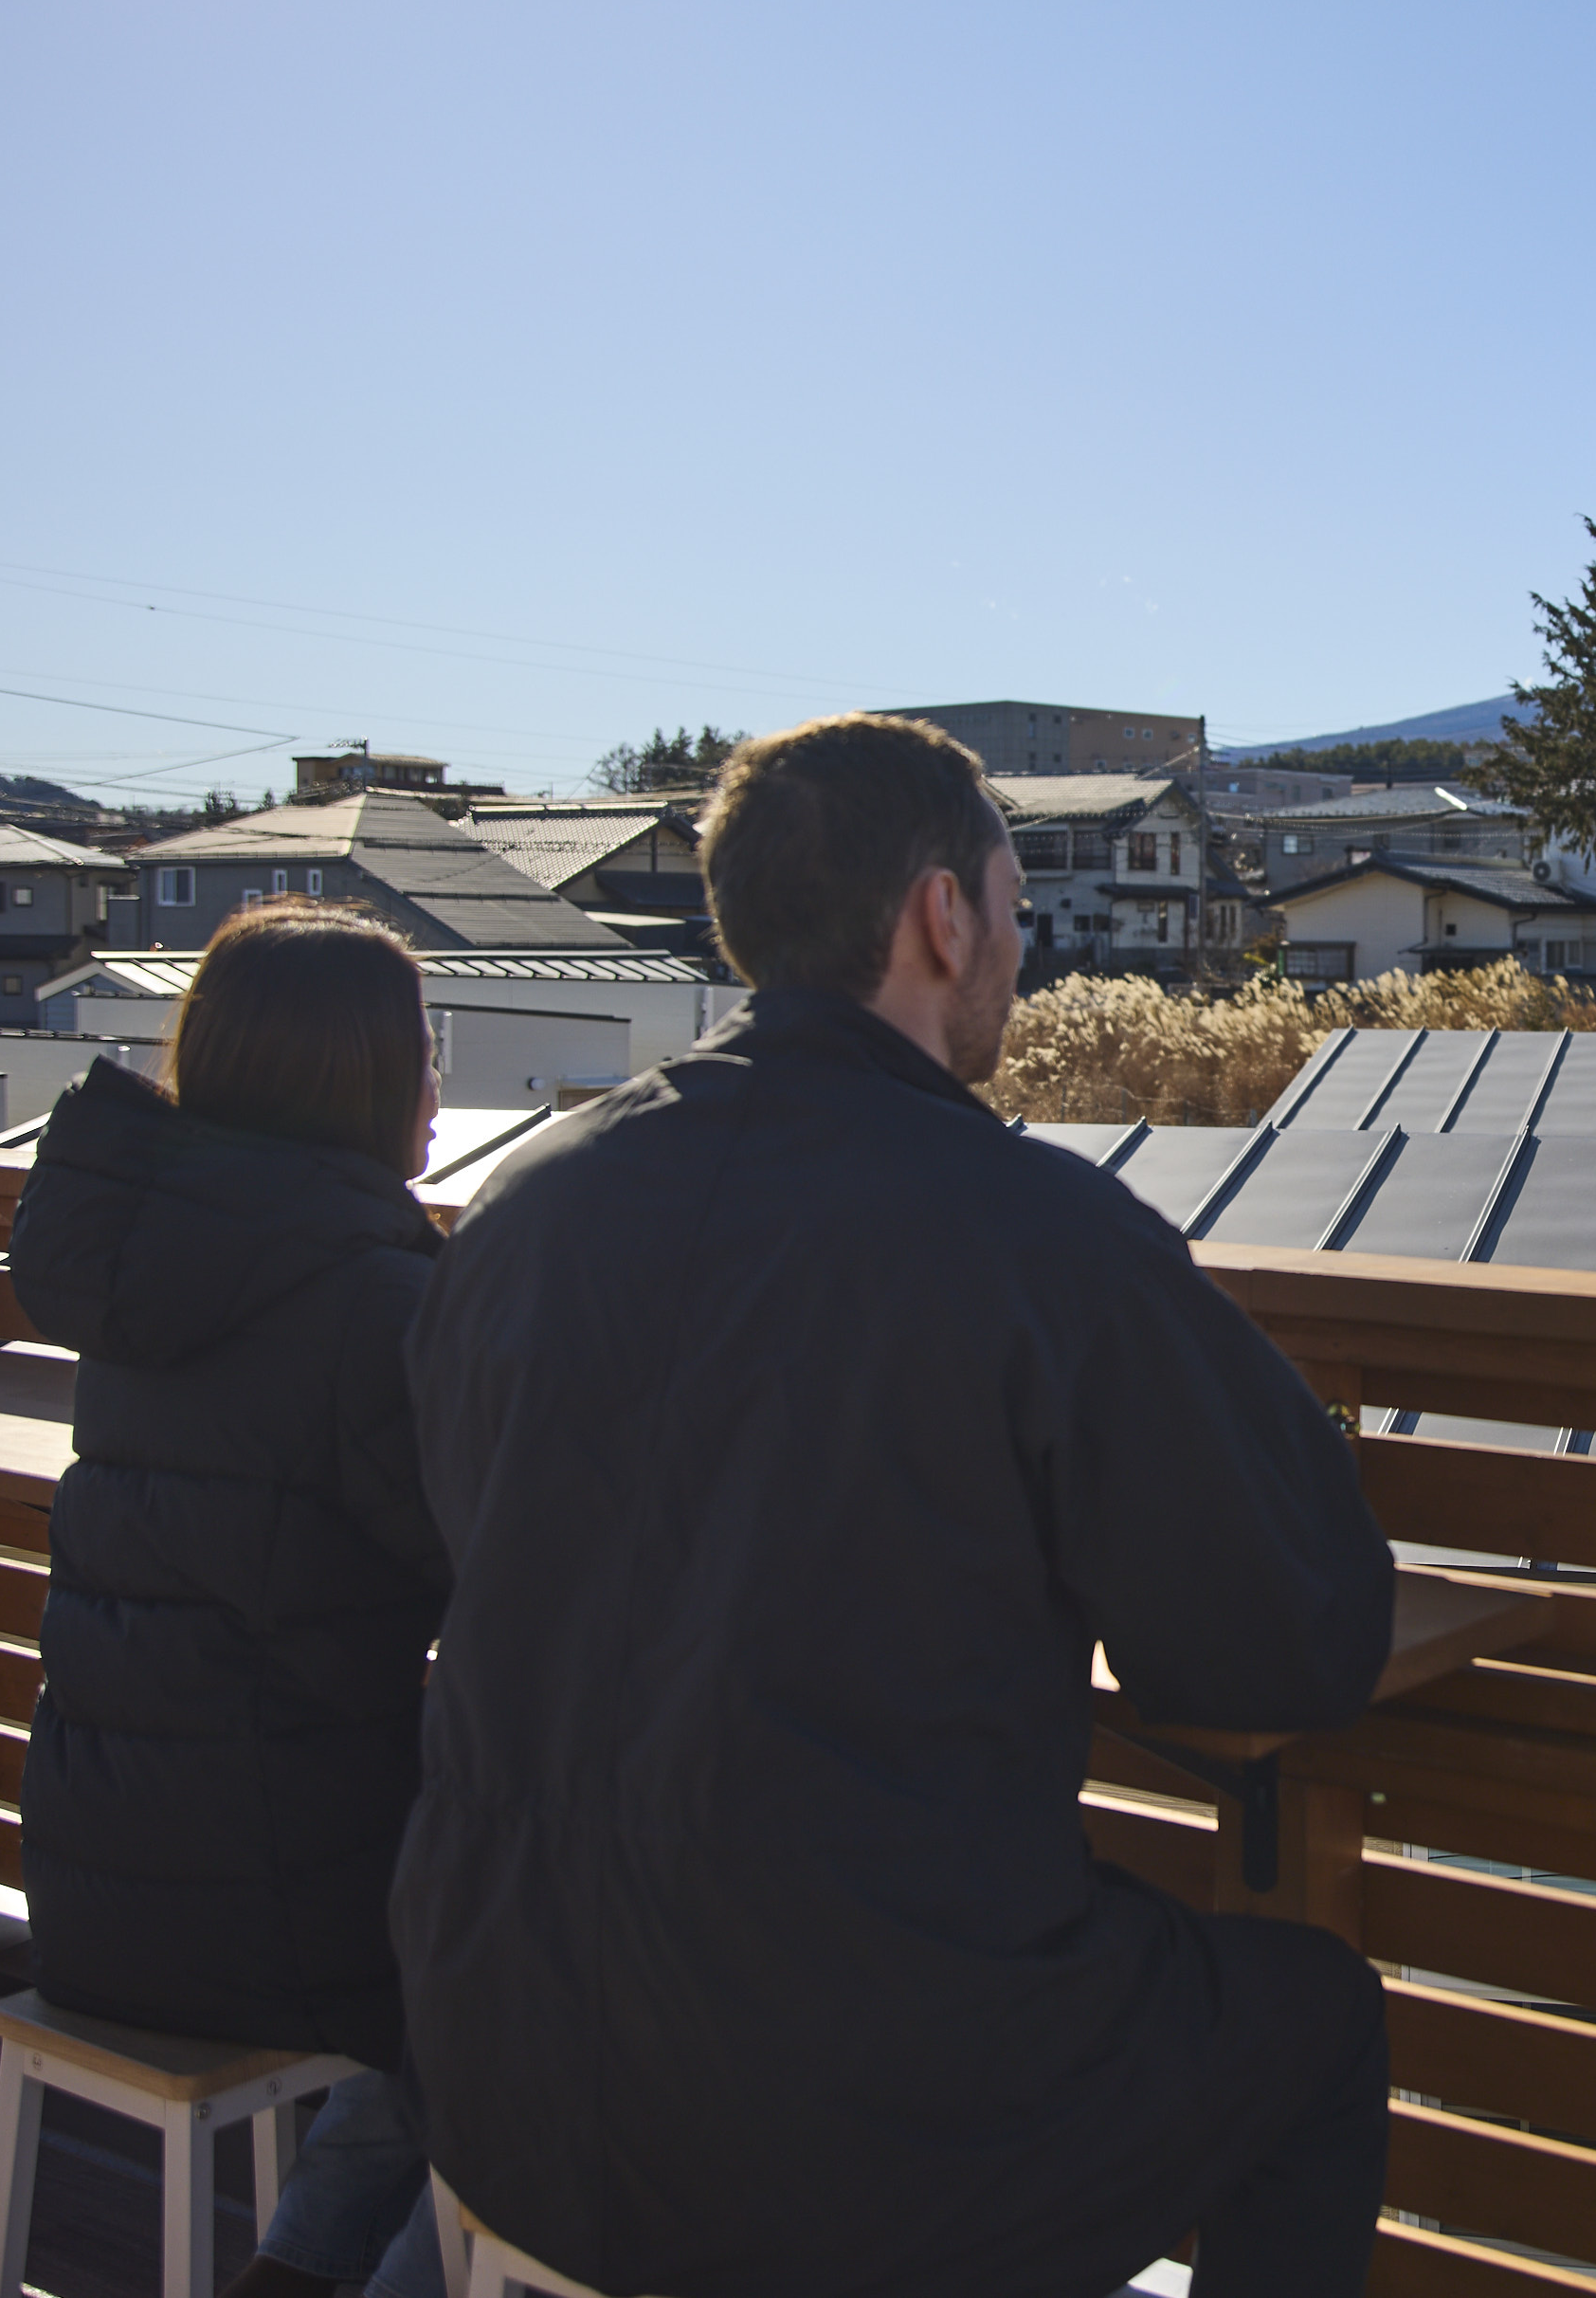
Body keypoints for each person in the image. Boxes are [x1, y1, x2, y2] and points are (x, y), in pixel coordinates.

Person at [393, 715, 1396, 2298]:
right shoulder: (1029, 1232)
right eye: (1013, 906)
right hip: (851, 2119)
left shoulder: (526, 1204)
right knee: (1316, 2025)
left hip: (499, 2067)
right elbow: (1283, 1649)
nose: (1021, 946)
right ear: (941, 915)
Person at [8, 901, 455, 2298]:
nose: (440, 1085)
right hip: (259, 1915)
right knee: (516, 1979)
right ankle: (316, 2265)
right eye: (424, 1054)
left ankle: (299, 2265)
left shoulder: (156, 1268)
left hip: (94, 1890)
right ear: (373, 1080)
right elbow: (489, 1561)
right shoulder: (369, 1298)